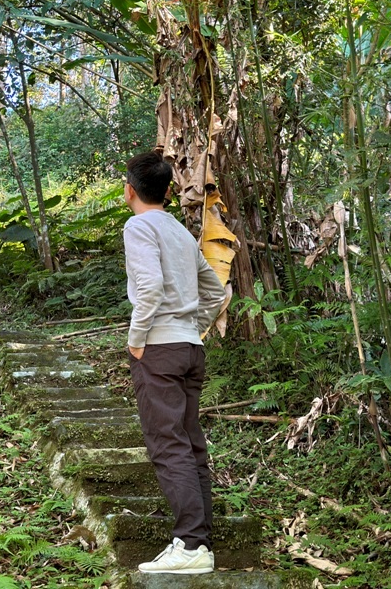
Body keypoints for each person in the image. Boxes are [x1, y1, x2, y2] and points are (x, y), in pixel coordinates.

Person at [123, 151, 227, 575]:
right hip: (189, 348)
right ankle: (199, 540)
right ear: (168, 191)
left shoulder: (138, 226)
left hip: (161, 350)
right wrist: (194, 327)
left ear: (130, 190)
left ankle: (191, 544)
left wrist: (136, 340)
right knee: (189, 441)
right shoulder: (181, 232)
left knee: (168, 444)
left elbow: (149, 287)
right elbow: (216, 292)